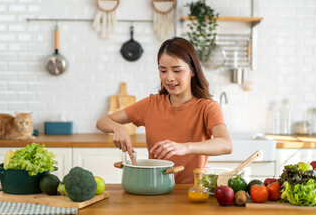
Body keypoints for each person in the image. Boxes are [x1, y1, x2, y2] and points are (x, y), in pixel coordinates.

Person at [96, 37, 232, 184]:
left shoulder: (207, 107)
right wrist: (118, 128)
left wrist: (186, 147)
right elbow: (102, 122)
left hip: (192, 191)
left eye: (176, 70)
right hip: (155, 188)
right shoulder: (151, 104)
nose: (169, 78)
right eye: (163, 70)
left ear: (193, 70)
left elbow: (226, 144)